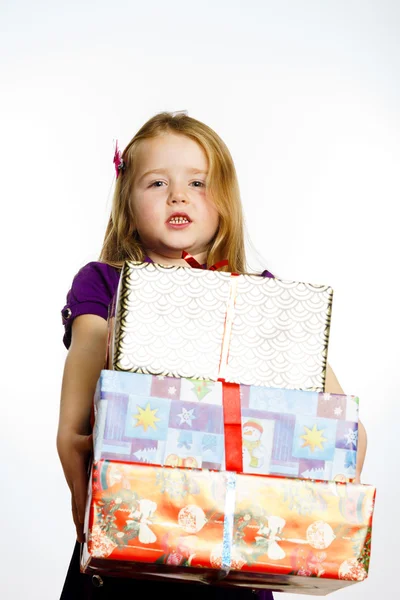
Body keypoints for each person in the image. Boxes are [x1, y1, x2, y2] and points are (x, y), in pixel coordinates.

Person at [57, 111, 367, 599]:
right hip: (130, 545)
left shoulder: (263, 296)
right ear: (127, 203)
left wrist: (311, 514)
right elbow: (75, 423)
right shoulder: (103, 281)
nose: (178, 195)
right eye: (157, 182)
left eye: (198, 182)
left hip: (234, 558)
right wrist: (85, 505)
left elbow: (340, 426)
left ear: (224, 201)